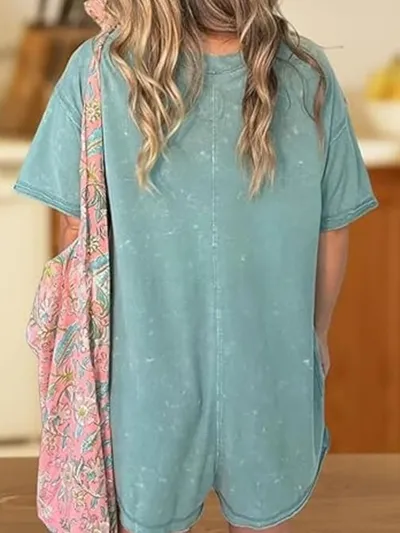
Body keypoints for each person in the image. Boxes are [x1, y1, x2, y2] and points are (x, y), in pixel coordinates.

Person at [14, 1, 378, 532]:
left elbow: (77, 228)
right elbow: (333, 227)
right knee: (263, 517)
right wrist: (317, 333)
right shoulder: (308, 72)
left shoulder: (99, 69)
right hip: (271, 368)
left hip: (139, 378)